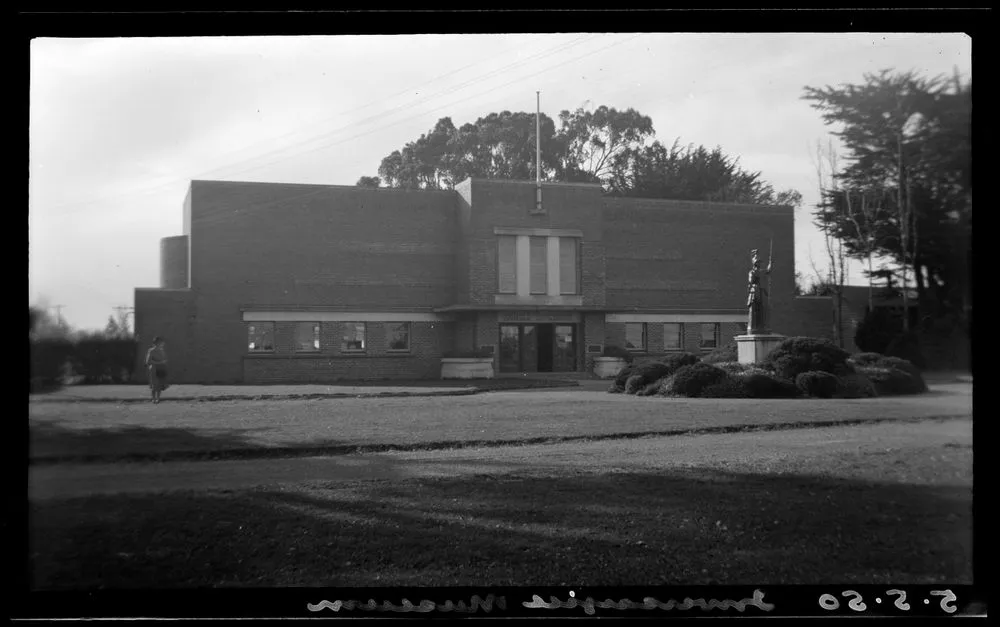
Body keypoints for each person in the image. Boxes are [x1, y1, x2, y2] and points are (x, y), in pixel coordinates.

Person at [145, 336, 168, 404]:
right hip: (154, 370)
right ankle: (153, 399)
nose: (163, 343)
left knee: (160, 385)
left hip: (161, 369)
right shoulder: (151, 350)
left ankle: (158, 399)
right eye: (161, 342)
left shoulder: (162, 351)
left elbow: (164, 360)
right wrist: (159, 362)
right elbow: (148, 362)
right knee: (154, 385)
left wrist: (164, 362)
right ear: (157, 343)